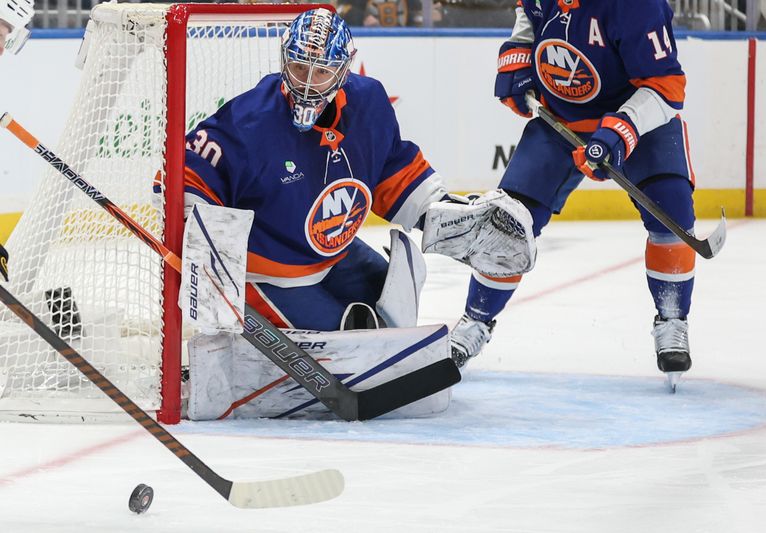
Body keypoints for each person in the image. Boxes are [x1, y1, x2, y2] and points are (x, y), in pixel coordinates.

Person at [174, 7, 532, 333]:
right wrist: (201, 239)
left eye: (322, 71)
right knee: (349, 340)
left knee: (392, 311)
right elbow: (188, 171)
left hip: (334, 257)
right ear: (285, 60)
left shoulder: (369, 103)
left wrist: (441, 213)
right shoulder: (251, 121)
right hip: (268, 276)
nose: (308, 83)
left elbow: (392, 170)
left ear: (344, 68)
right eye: (299, 67)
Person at [451, 0, 698, 385]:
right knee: (507, 224)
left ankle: (671, 320)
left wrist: (621, 130)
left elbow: (666, 86)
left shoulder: (639, 5)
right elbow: (528, 15)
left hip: (638, 122)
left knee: (673, 213)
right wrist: (518, 53)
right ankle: (475, 321)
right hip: (559, 121)